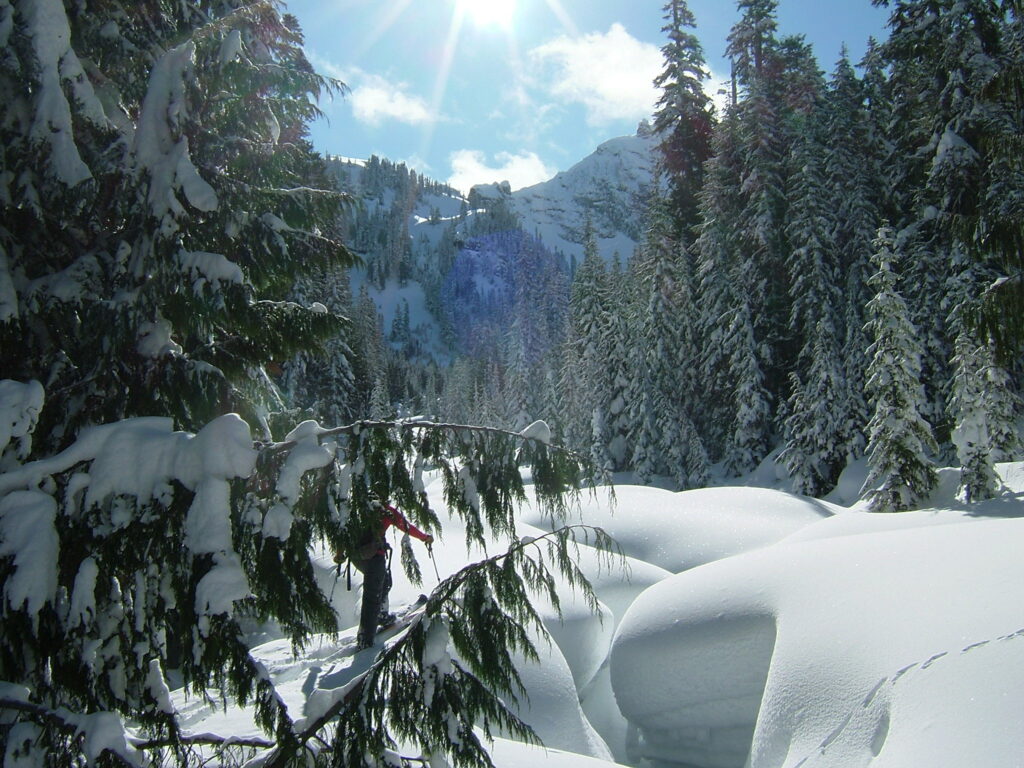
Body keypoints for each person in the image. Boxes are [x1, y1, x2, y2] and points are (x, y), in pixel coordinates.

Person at [345, 498, 433, 650]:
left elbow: (341, 528)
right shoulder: (385, 511)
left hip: (357, 556)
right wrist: (425, 537)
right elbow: (406, 527)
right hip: (374, 557)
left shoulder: (358, 506)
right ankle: (366, 637)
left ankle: (381, 615)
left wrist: (340, 553)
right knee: (372, 596)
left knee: (383, 582)